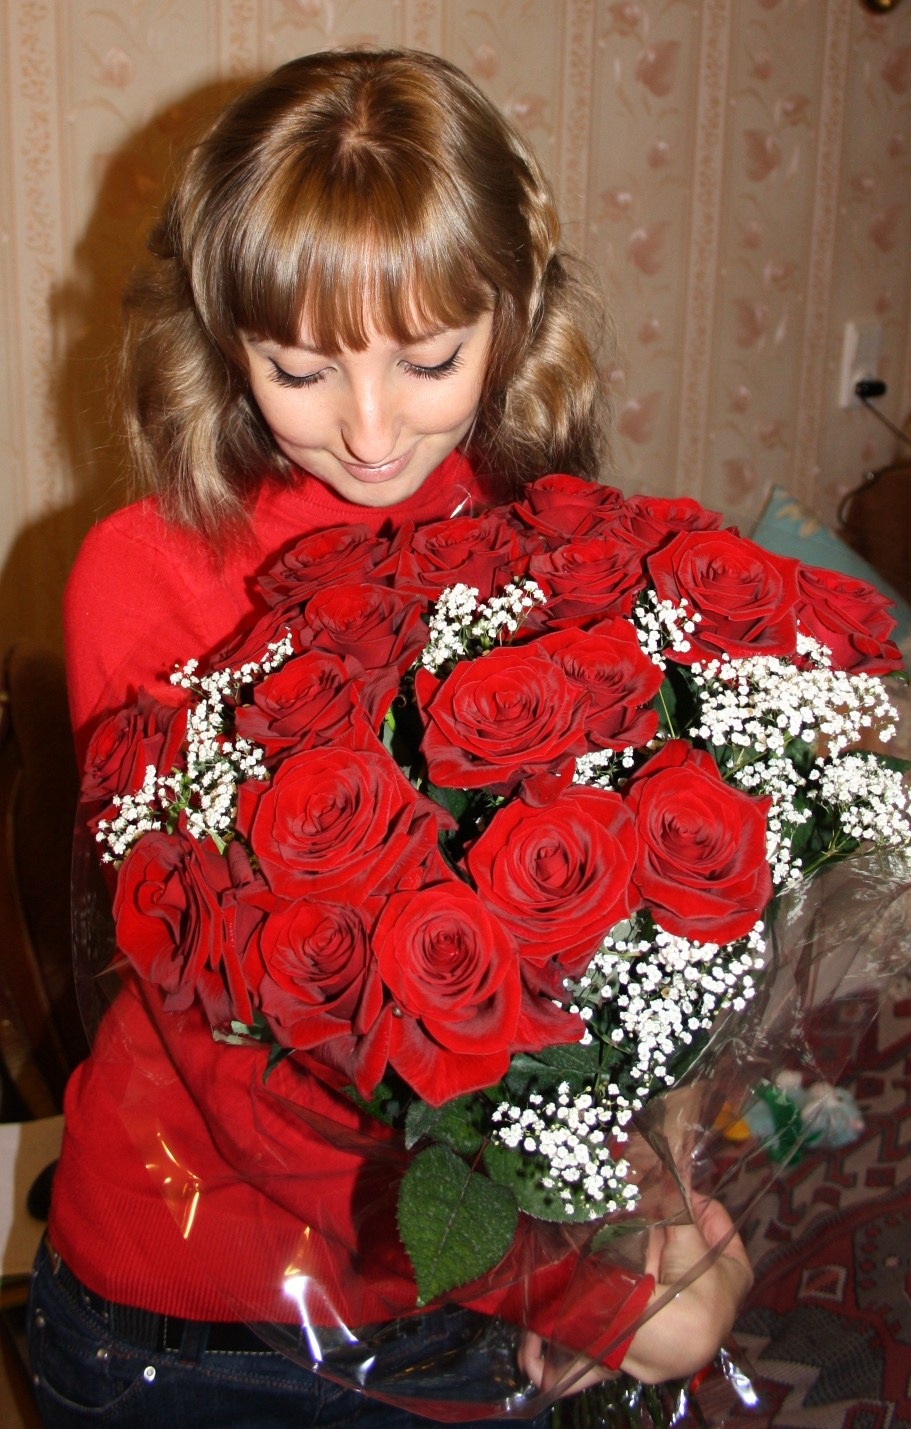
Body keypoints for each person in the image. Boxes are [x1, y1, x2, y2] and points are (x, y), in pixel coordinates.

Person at [29, 48, 752, 1428]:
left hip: (462, 1293)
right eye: (298, 369)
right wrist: (579, 1290)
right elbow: (238, 1049)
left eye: (430, 360)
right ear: (222, 341)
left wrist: (644, 1191)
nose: (369, 432)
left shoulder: (547, 543)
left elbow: (609, 937)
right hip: (201, 1330)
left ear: (514, 317)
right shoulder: (147, 575)